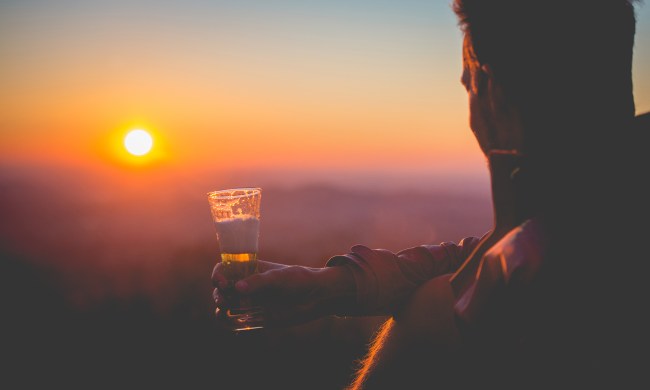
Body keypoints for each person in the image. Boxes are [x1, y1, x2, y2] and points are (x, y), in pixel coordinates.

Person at [213, 0, 648, 388]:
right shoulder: (590, 219)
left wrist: (419, 315)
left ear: (491, 93)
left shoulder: (473, 318)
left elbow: (478, 278)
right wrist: (336, 286)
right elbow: (488, 254)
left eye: (468, 85)